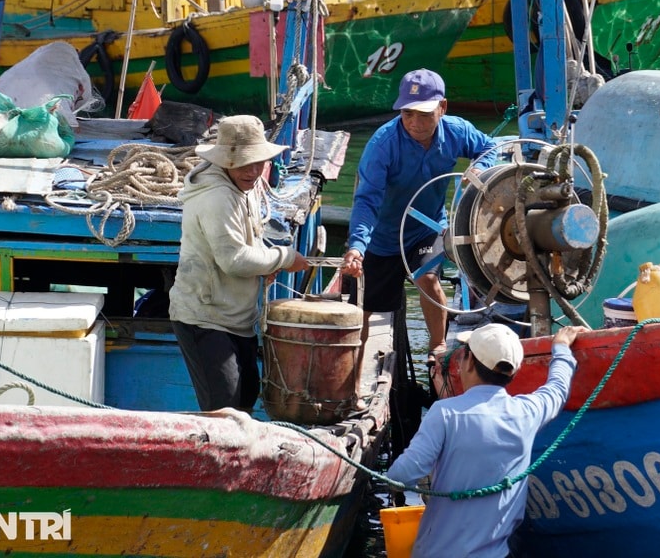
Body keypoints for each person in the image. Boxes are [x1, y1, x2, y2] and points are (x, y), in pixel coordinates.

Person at [341, 68, 496, 365]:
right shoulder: (382, 144)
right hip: (383, 237)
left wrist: (480, 168)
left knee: (426, 277)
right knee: (367, 306)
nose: (415, 123)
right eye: (408, 113)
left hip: (427, 227)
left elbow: (490, 147)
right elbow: (366, 201)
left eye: (424, 114)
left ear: (443, 107)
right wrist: (357, 247)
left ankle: (437, 351)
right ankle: (351, 367)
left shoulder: (457, 131)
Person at [386, 322, 581, 557]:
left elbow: (402, 476)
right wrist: (561, 348)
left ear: (468, 362)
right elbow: (557, 389)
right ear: (514, 372)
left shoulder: (445, 413)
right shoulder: (527, 412)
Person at [170, 115, 309, 412]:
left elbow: (250, 240)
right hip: (204, 318)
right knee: (225, 410)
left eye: (259, 162)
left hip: (237, 319)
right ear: (226, 162)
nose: (254, 171)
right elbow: (234, 259)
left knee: (245, 398)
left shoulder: (243, 186)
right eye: (246, 163)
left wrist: (265, 264)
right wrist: (283, 258)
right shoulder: (217, 197)